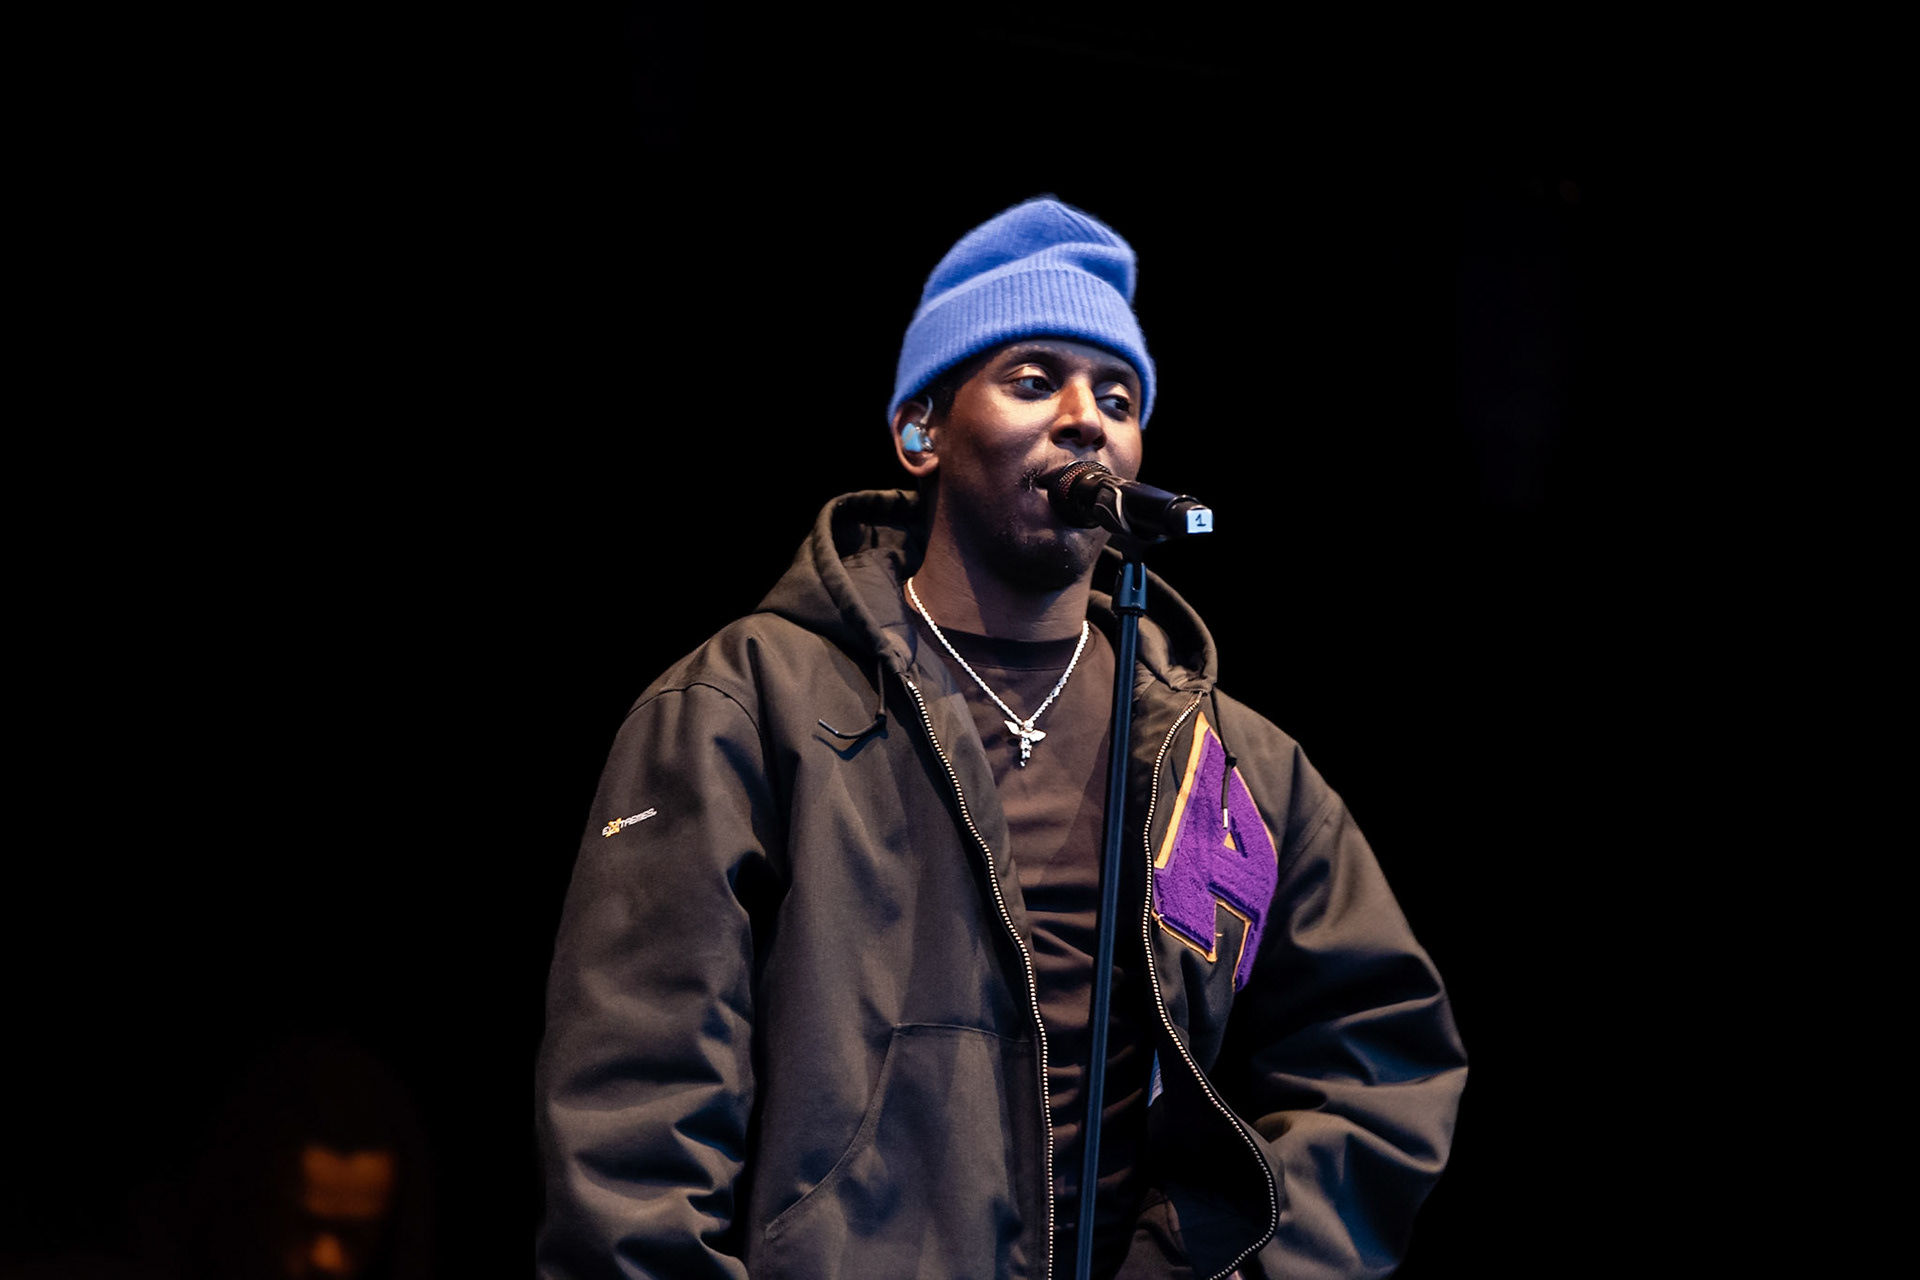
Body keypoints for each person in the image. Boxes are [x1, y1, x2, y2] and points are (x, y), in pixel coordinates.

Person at [537, 197, 1467, 1280]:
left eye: (1116, 396)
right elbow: (636, 1121)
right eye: (1034, 380)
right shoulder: (748, 705)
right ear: (920, 431)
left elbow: (1380, 1058)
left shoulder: (1226, 769)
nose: (1086, 418)